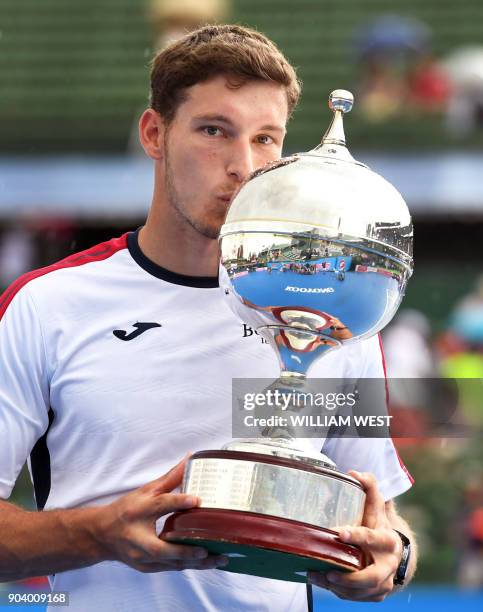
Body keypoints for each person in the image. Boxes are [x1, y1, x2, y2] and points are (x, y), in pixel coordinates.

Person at [0, 25, 417, 611]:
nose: (243, 166)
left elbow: (386, 518)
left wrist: (390, 560)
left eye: (266, 139)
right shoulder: (48, 304)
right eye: (214, 131)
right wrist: (98, 535)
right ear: (154, 133)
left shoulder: (329, 310)